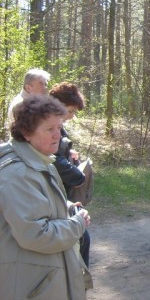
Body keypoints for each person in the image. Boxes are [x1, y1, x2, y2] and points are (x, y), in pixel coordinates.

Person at [0, 95, 91, 299]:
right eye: (49, 129)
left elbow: (36, 204)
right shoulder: (18, 173)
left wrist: (65, 207)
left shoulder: (38, 160)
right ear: (26, 132)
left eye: (59, 128)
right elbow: (36, 234)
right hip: (33, 285)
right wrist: (77, 224)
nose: (57, 135)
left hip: (43, 279)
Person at [49, 82, 91, 267]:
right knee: (81, 238)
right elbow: (54, 159)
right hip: (53, 195)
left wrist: (69, 153)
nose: (72, 116)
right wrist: (77, 176)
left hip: (60, 195)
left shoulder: (56, 125)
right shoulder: (47, 124)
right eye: (71, 111)